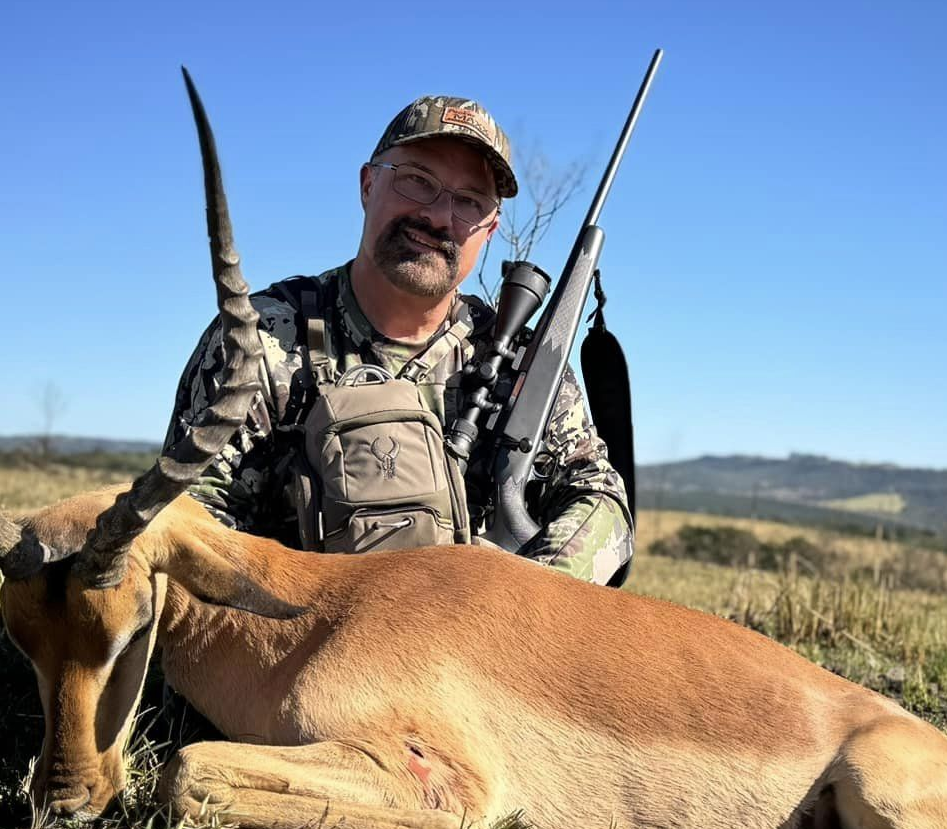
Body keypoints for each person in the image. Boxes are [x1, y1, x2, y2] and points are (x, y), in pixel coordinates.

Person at [164, 95, 632, 583]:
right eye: (417, 181)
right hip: (291, 638)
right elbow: (187, 522)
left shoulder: (517, 363)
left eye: (469, 201)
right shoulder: (262, 335)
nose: (438, 217)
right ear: (368, 185)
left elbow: (603, 502)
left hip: (470, 644)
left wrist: (519, 601)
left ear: (490, 229)